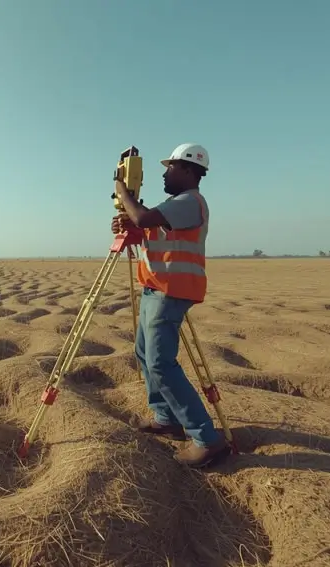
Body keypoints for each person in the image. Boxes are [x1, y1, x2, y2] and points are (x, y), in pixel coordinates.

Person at [111, 143, 229, 468]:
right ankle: (165, 417)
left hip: (172, 291)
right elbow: (148, 228)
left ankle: (206, 438)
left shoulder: (190, 202)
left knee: (161, 363)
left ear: (189, 170)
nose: (164, 174)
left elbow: (144, 216)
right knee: (143, 354)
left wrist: (122, 191)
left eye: (170, 168)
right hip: (155, 288)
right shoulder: (174, 205)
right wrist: (128, 227)